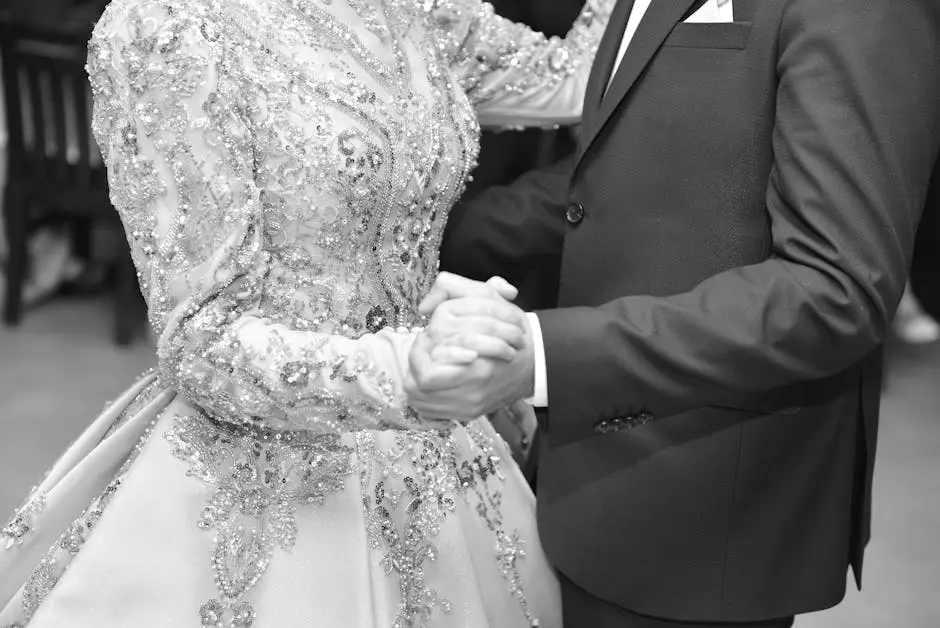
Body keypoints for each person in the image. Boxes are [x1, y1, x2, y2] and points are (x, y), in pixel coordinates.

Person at [0, 0, 616, 625]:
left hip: (443, 444)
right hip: (266, 457)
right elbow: (200, 340)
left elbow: (585, 73)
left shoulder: (418, 10)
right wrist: (405, 372)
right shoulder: (169, 25)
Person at [419, 0, 940, 626]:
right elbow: (626, 174)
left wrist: (546, 354)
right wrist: (408, 236)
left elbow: (833, 290)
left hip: (707, 504)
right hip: (587, 478)